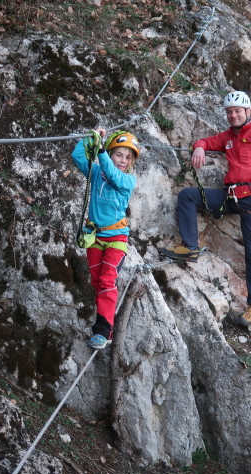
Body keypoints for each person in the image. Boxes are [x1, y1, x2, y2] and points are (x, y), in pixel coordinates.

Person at [161, 91, 251, 327]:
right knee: (188, 196)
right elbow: (206, 142)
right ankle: (189, 246)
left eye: (237, 111)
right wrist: (199, 148)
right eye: (229, 112)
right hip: (230, 197)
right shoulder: (228, 137)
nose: (233, 115)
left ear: (248, 112)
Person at [71, 128, 140, 349]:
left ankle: (103, 330)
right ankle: (104, 323)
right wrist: (92, 137)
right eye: (119, 154)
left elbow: (112, 174)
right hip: (96, 237)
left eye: (128, 157)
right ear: (110, 154)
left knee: (107, 279)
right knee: (96, 281)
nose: (123, 160)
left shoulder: (128, 180)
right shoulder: (96, 172)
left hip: (117, 237)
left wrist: (101, 150)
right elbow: (78, 156)